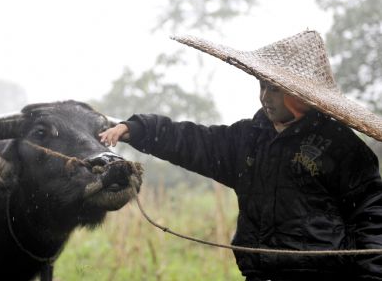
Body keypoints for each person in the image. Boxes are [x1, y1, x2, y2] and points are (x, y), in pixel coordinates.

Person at [99, 30, 382, 281]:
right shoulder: (248, 139)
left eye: (274, 88)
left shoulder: (341, 147)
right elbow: (192, 141)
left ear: (301, 95)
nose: (264, 97)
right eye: (261, 85)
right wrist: (138, 129)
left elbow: (372, 215)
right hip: (260, 274)